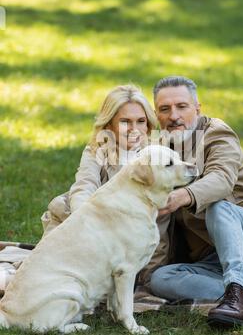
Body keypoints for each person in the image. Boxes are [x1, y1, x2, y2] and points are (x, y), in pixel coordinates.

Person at [149, 75, 243, 328]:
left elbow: (221, 180)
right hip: (215, 257)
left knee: (218, 206)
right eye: (165, 109)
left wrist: (181, 196)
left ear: (198, 108)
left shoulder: (217, 133)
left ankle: (237, 297)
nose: (173, 115)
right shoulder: (159, 150)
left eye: (181, 106)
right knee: (159, 279)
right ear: (157, 114)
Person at [41, 84, 158, 237]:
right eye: (125, 122)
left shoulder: (157, 154)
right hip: (97, 224)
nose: (134, 128)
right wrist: (85, 221)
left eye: (141, 121)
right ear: (109, 124)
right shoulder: (96, 150)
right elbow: (84, 186)